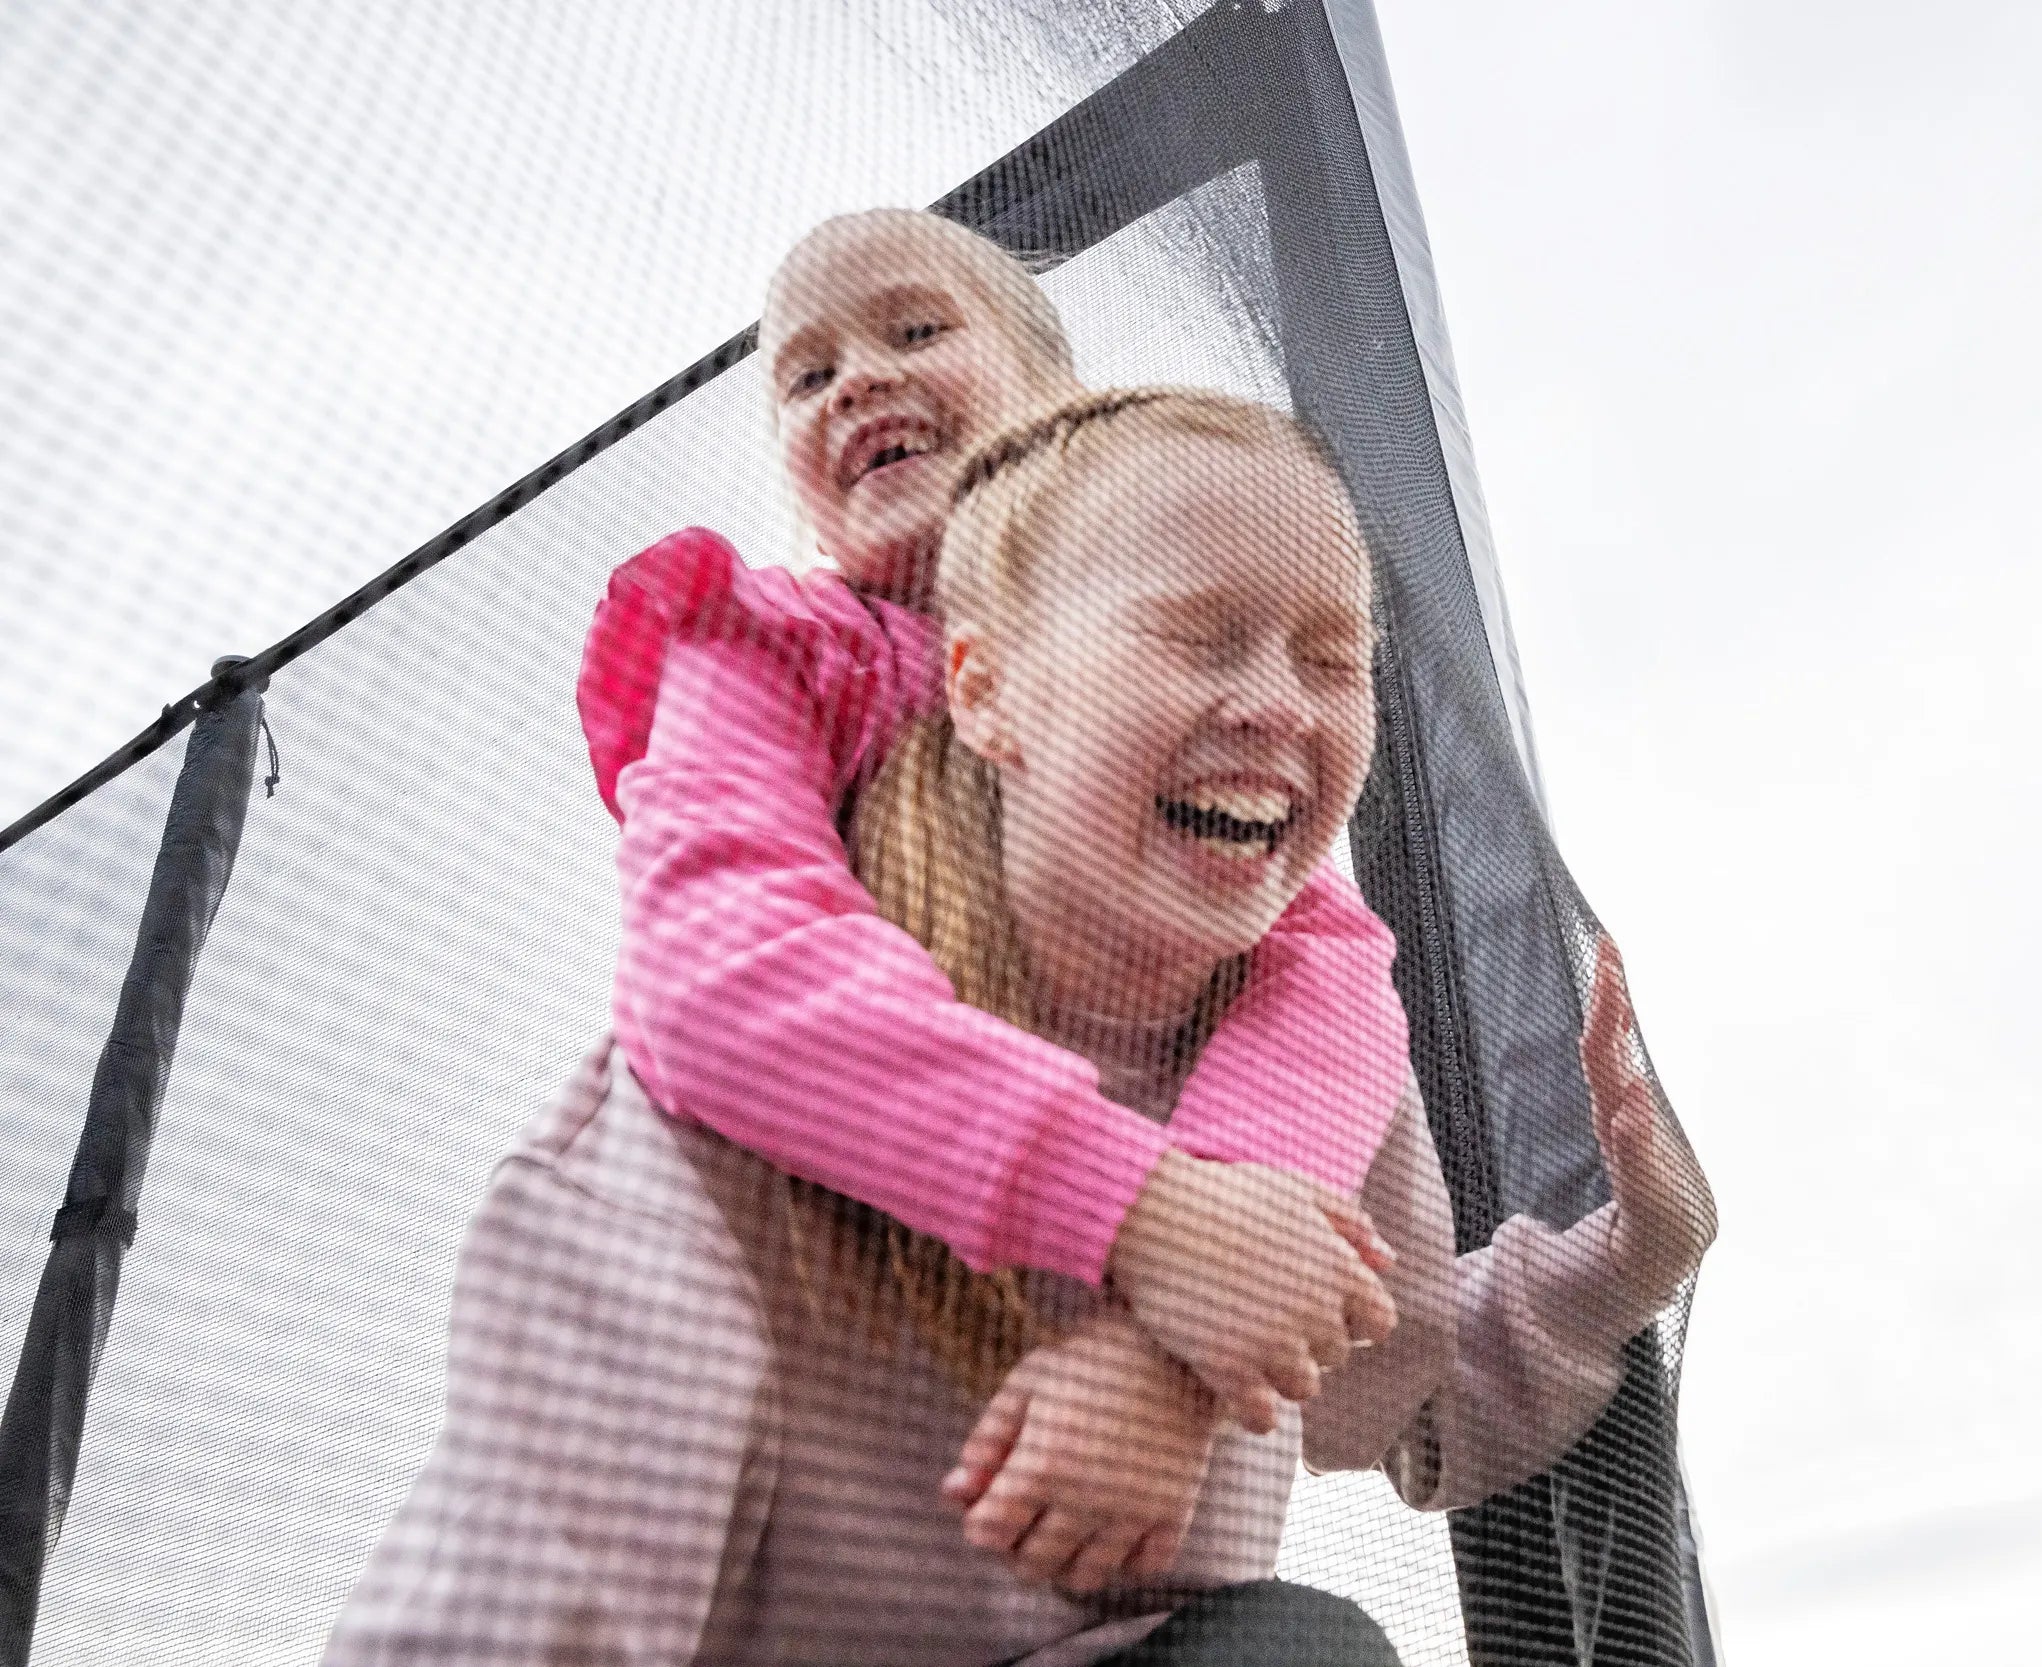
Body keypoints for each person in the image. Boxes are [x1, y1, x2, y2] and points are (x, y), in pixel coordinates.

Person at [322, 386, 1715, 1666]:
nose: (1282, 701)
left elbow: (1387, 1386)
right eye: (1201, 631)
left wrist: (1635, 1252)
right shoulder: (720, 1117)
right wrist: (1156, 1231)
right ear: (987, 691)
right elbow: (521, 1589)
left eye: (1334, 657)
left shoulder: (1326, 1080)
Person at [576, 208, 1416, 1441]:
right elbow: (715, 963)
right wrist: (1140, 1210)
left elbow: (1332, 974)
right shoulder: (775, 648)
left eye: (916, 328)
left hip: (1001, 1390)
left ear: (1060, 403)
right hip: (720, 1347)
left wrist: (1172, 1345)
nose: (858, 376)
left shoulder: (1164, 704)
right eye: (807, 375)